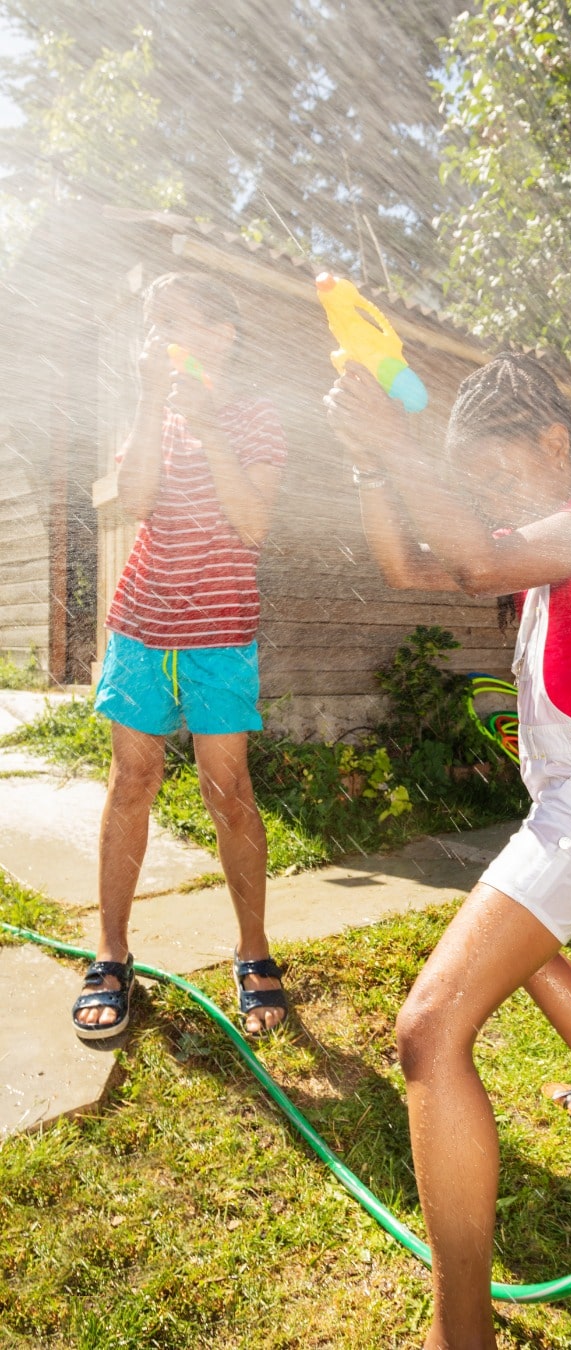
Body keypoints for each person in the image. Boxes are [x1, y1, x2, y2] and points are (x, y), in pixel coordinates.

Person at [326, 351, 571, 1350]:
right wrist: (372, 463)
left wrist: (398, 441)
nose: (490, 500)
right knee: (532, 957)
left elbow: (476, 562)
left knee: (427, 1034)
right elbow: (417, 567)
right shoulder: (556, 540)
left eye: (498, 476)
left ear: (550, 442)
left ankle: (462, 1340)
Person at [72, 271, 289, 1041]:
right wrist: (147, 403)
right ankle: (111, 953)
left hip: (220, 633)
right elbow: (135, 501)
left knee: (228, 790)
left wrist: (211, 426)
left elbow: (254, 522)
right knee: (132, 779)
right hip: (141, 627)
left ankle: (254, 952)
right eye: (155, 323)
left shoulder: (257, 417)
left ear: (222, 334)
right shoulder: (151, 416)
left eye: (180, 322)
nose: (164, 336)